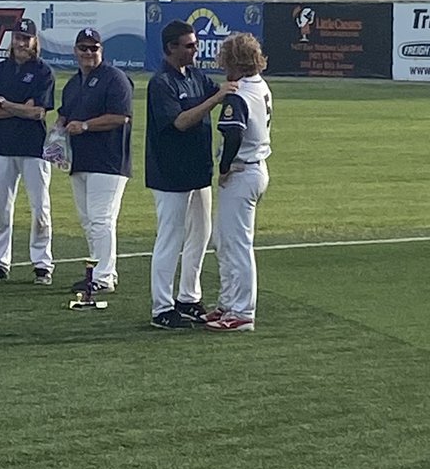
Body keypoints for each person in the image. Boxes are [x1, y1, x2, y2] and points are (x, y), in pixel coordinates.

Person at [146, 19, 237, 331]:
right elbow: (181, 122)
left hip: (199, 170)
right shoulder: (161, 83)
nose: (195, 50)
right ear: (171, 48)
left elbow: (226, 91)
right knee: (170, 239)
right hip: (170, 173)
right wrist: (215, 99)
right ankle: (161, 307)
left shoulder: (196, 75)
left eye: (195, 44)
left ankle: (189, 297)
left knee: (201, 235)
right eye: (189, 45)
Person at [0, 18, 55, 284]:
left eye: (26, 38)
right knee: (1, 208)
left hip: (34, 147)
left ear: (34, 41)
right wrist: (20, 108)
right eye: (18, 38)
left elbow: (37, 112)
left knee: (40, 208)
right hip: (1, 145)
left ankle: (42, 264)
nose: (21, 43)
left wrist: (5, 104)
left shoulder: (43, 72)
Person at [57, 27, 133, 293]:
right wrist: (56, 137)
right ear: (75, 50)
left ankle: (103, 276)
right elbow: (64, 116)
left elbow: (121, 116)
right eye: (83, 48)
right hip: (81, 160)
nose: (88, 53)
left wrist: (86, 126)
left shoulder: (115, 78)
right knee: (89, 220)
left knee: (102, 219)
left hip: (109, 161)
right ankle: (98, 271)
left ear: (102, 50)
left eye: (94, 48)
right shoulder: (73, 82)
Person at [206, 32, 273, 333]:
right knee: (225, 240)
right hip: (254, 167)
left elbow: (233, 133)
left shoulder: (239, 93)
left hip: (242, 169)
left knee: (236, 245)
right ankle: (228, 302)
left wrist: (223, 168)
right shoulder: (259, 85)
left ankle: (242, 311)